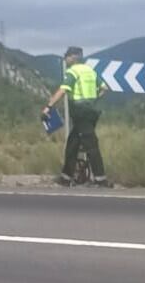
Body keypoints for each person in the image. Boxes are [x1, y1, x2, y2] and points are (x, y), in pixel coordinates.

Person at [43, 46, 111, 187]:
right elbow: (105, 88)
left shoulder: (73, 72)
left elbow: (62, 90)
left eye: (67, 56)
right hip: (92, 111)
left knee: (91, 144)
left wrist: (48, 107)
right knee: (73, 144)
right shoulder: (90, 70)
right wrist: (93, 100)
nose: (65, 59)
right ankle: (66, 178)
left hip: (81, 112)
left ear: (73, 57)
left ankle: (101, 180)